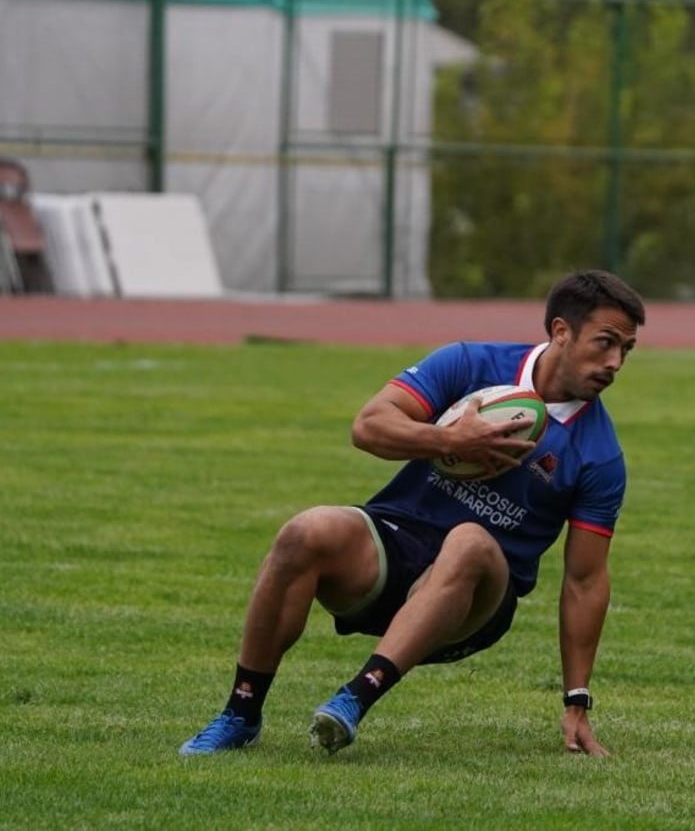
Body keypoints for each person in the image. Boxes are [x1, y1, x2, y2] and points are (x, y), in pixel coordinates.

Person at [178, 269, 646, 755]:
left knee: (468, 539)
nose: (614, 362)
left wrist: (576, 700)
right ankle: (240, 713)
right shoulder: (470, 363)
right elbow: (369, 425)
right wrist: (448, 440)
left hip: (476, 599)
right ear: (561, 332)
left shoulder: (600, 455)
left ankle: (353, 701)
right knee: (305, 531)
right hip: (394, 547)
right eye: (605, 343)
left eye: (626, 350)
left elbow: (585, 581)